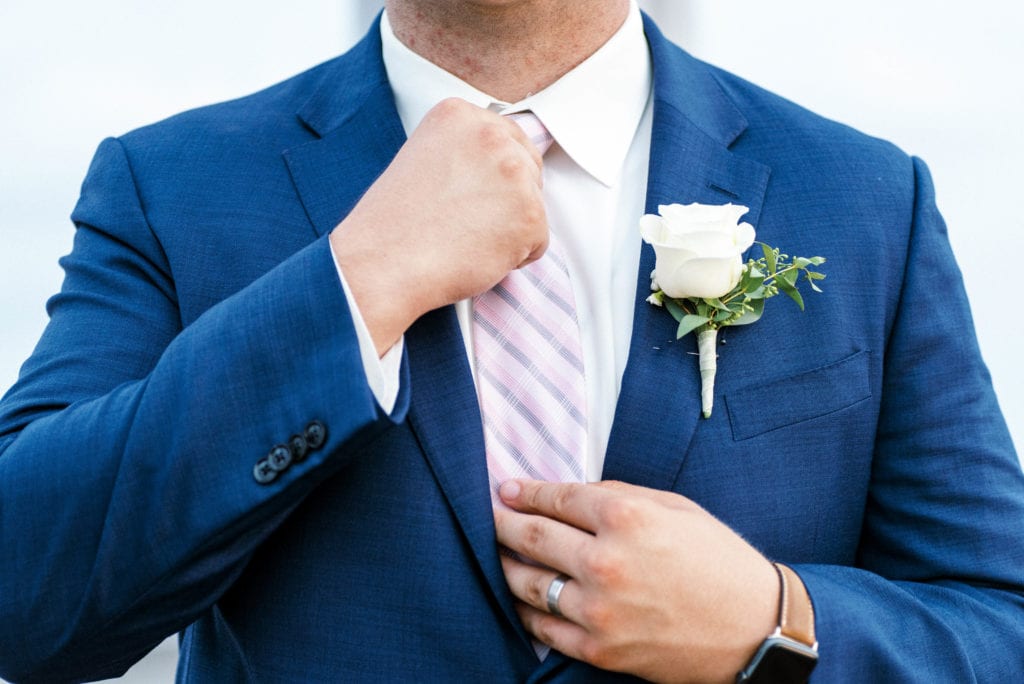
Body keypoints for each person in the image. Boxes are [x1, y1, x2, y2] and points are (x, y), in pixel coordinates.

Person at [1, 0, 1022, 681]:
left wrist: (776, 620)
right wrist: (354, 286)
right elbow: (26, 593)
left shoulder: (865, 198)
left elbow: (998, 623)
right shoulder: (170, 185)